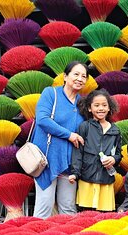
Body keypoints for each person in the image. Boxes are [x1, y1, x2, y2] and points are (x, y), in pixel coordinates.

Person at [32, 61, 89, 218]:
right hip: (47, 160)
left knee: (68, 208)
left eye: (84, 76)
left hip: (70, 163)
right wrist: (69, 135)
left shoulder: (83, 103)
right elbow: (42, 119)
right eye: (76, 74)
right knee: (44, 206)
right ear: (65, 76)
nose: (80, 79)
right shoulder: (51, 94)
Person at [69, 89, 121, 211]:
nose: (101, 108)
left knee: (105, 215)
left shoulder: (116, 130)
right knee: (87, 215)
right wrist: (75, 173)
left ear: (109, 108)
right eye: (96, 105)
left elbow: (118, 154)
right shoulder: (84, 127)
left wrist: (113, 159)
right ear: (89, 108)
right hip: (86, 180)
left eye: (104, 105)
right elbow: (78, 152)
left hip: (106, 181)